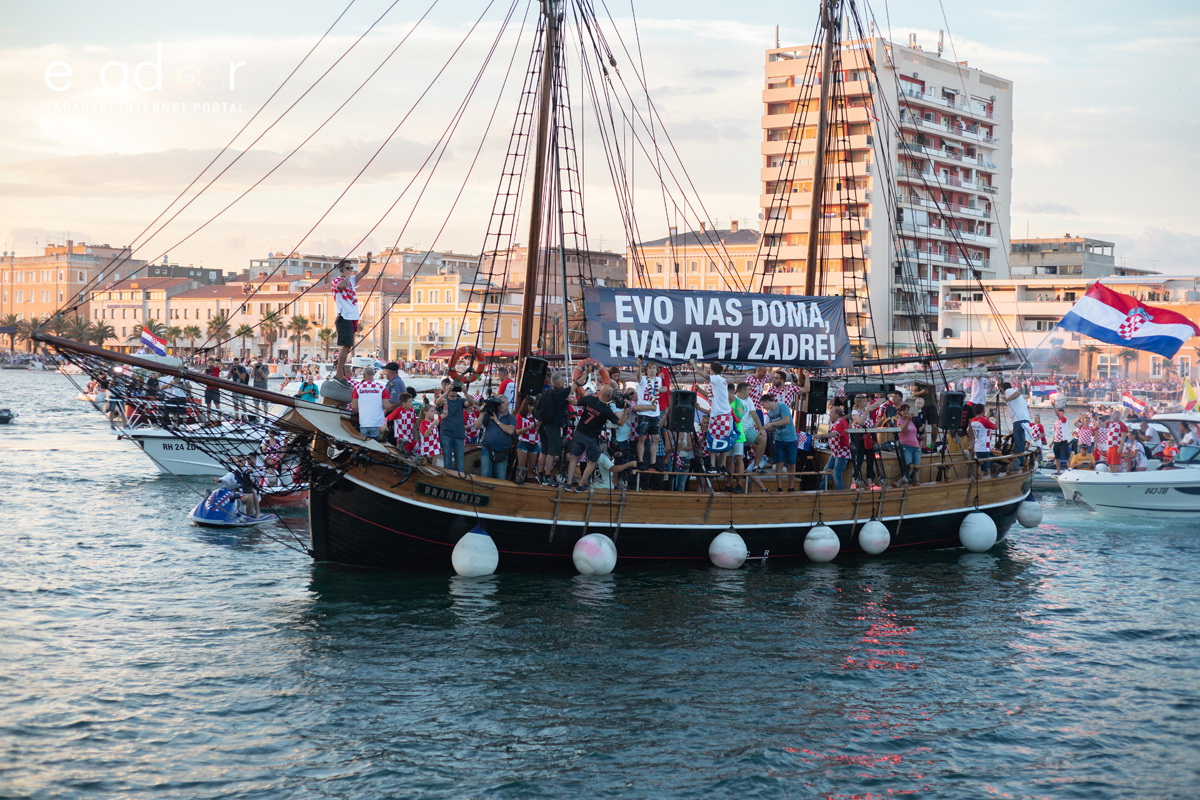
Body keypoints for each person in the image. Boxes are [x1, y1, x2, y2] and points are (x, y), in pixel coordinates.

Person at [564, 384, 628, 491]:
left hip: (579, 432)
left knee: (575, 457)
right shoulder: (606, 410)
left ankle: (569, 483)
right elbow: (621, 422)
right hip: (591, 438)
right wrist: (626, 409)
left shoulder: (589, 399)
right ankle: (580, 485)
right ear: (609, 396)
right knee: (592, 462)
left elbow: (575, 402)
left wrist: (566, 399)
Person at [329, 257, 371, 384]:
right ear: (341, 270)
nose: (351, 271)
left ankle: (339, 373)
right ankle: (339, 374)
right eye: (348, 268)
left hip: (352, 317)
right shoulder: (337, 280)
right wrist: (347, 276)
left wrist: (368, 260)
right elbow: (341, 286)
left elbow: (364, 272)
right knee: (345, 345)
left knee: (348, 346)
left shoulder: (351, 280)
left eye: (351, 268)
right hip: (344, 316)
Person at [534, 372, 573, 484]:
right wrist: (585, 373)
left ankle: (540, 475)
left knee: (544, 451)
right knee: (551, 453)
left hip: (544, 425)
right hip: (553, 426)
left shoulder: (547, 392)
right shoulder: (560, 393)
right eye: (563, 381)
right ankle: (547, 477)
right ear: (559, 382)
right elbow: (576, 385)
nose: (564, 383)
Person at [761, 394, 798, 492]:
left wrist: (772, 423)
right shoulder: (770, 413)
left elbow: (786, 420)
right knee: (779, 463)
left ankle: (791, 486)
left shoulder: (782, 406)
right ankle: (779, 487)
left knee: (791, 464)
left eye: (763, 405)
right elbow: (774, 428)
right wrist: (765, 428)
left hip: (791, 439)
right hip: (779, 440)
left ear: (768, 402)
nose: (763, 407)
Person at [474, 396, 517, 480]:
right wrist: (482, 414)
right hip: (487, 449)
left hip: (502, 452)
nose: (501, 405)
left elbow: (510, 430)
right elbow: (477, 426)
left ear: (508, 404)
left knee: (500, 478)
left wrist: (497, 421)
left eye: (503, 402)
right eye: (499, 403)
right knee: (485, 475)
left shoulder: (511, 417)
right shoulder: (490, 414)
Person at [435, 381, 473, 473]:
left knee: (460, 463)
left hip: (459, 434)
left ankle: (459, 481)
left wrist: (465, 392)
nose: (453, 390)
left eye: (455, 389)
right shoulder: (444, 400)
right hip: (446, 433)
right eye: (451, 388)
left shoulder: (461, 401)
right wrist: (447, 391)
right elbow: (437, 403)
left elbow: (470, 403)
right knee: (447, 462)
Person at [634, 361, 663, 469]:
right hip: (644, 413)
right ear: (646, 370)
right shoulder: (643, 379)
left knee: (656, 438)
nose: (652, 370)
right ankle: (641, 461)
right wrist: (639, 366)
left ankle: (653, 462)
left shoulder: (658, 380)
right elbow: (637, 377)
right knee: (642, 438)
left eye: (654, 368)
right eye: (650, 368)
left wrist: (662, 390)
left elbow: (657, 390)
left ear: (656, 370)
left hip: (655, 413)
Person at [706, 362, 733, 473]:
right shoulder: (721, 380)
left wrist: (694, 366)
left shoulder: (716, 378)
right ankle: (722, 466)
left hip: (719, 415)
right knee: (724, 440)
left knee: (713, 439)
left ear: (712, 370)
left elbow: (705, 376)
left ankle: (713, 466)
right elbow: (712, 397)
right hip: (725, 415)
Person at [1000, 381, 1031, 470]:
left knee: (1019, 443)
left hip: (1018, 420)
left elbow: (1018, 392)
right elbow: (1027, 406)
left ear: (1003, 389)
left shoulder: (1008, 391)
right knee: (1021, 442)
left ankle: (1019, 464)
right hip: (1025, 419)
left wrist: (1007, 399)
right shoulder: (1021, 398)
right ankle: (1021, 462)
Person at [820, 404, 852, 490]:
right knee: (826, 471)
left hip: (842, 451)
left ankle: (840, 494)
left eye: (831, 412)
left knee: (836, 474)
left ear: (837, 414)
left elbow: (834, 434)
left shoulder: (841, 423)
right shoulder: (836, 422)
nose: (829, 414)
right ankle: (821, 490)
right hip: (836, 452)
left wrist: (821, 436)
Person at [351, 366, 387, 439]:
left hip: (364, 423)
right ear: (373, 374)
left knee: (364, 447)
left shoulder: (357, 388)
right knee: (376, 447)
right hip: (377, 423)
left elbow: (354, 407)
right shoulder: (381, 388)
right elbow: (386, 405)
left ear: (363, 375)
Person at [513, 397, 540, 484]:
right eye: (530, 406)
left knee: (531, 469)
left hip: (534, 443)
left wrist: (538, 427)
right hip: (523, 443)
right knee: (522, 468)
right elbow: (517, 432)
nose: (532, 408)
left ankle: (529, 485)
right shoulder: (519, 416)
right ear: (525, 405)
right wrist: (530, 427)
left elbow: (538, 430)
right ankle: (520, 484)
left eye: (533, 406)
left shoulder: (536, 416)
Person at [969, 403, 998, 477]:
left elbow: (983, 425)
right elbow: (996, 427)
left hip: (978, 447)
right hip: (984, 448)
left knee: (982, 467)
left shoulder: (973, 421)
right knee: (985, 469)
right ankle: (983, 483)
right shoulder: (984, 421)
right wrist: (997, 418)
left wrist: (987, 416)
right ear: (983, 411)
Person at [896, 404, 921, 484]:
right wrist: (907, 420)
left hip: (916, 446)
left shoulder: (912, 421)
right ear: (900, 412)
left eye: (907, 410)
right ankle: (904, 481)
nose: (906, 412)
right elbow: (903, 430)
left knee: (916, 466)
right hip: (906, 445)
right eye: (904, 410)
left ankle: (913, 481)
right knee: (908, 465)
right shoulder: (900, 421)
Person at [1051, 409, 1071, 474]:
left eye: (1062, 413)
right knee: (1057, 457)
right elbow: (1056, 433)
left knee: (1067, 457)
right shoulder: (1056, 422)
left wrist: (1054, 406)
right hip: (1056, 442)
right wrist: (1052, 442)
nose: (1061, 414)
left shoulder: (1064, 420)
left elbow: (1058, 415)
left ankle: (1070, 470)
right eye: (1060, 413)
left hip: (1063, 441)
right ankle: (1058, 471)